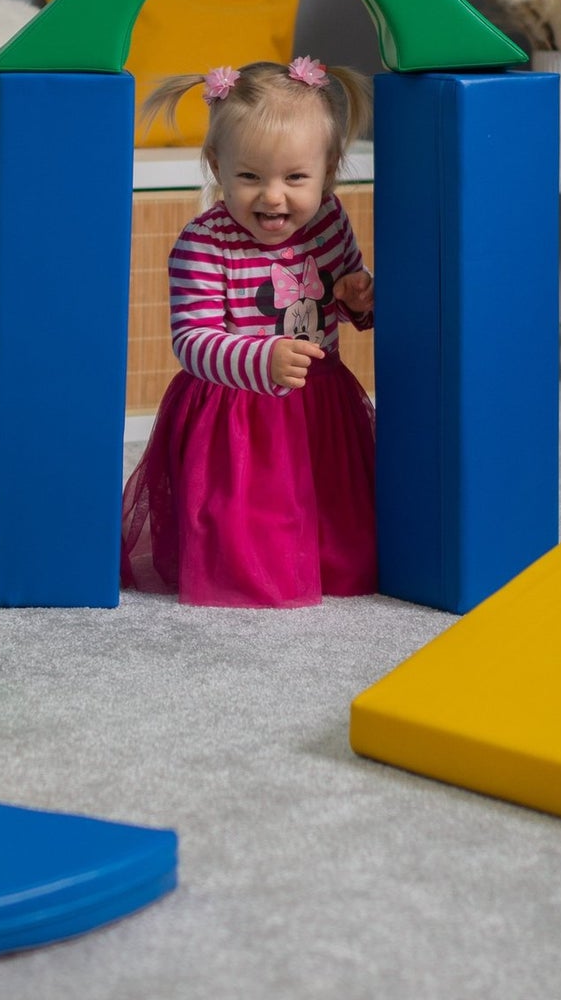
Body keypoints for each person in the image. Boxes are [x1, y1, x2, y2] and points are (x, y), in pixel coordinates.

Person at [120, 55, 376, 608]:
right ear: (217, 165)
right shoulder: (203, 243)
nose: (274, 197)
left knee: (329, 496)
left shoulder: (328, 218)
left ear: (329, 169)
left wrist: (360, 297)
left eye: (295, 178)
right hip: (236, 413)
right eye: (250, 177)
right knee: (251, 520)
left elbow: (344, 289)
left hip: (318, 399)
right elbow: (192, 340)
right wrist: (262, 361)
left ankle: (327, 557)